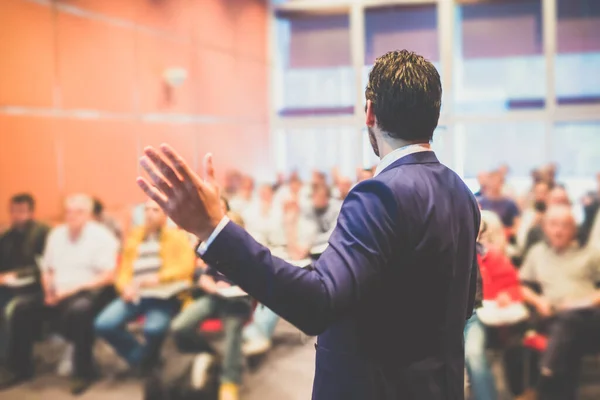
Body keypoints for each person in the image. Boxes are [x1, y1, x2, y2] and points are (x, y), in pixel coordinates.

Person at [137, 50, 480, 400]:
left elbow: (316, 303)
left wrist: (213, 229)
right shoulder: (461, 193)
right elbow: (465, 301)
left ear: (370, 111)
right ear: (434, 114)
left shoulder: (379, 193)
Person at [94, 199, 195, 375]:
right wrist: (124, 287)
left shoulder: (177, 236)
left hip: (162, 295)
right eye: (146, 210)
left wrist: (159, 277)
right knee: (104, 324)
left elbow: (186, 266)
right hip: (135, 294)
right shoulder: (135, 235)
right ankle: (143, 359)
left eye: (155, 210)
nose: (149, 214)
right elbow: (124, 269)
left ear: (165, 215)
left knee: (153, 329)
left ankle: (147, 363)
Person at [520, 205, 600, 400]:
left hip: (591, 319)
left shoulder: (589, 252)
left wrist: (582, 302)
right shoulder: (537, 253)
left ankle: (540, 385)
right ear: (544, 227)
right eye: (553, 224)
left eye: (565, 225)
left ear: (574, 229)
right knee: (566, 333)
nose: (558, 231)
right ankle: (549, 378)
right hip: (554, 319)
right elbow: (520, 285)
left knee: (569, 320)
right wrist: (538, 300)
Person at [42, 194, 119, 394]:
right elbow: (47, 268)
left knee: (79, 310)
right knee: (22, 308)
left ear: (88, 215)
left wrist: (71, 290)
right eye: (68, 212)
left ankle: (84, 371)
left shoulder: (101, 236)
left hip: (90, 291)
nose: (72, 216)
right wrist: (48, 288)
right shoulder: (56, 235)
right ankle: (18, 367)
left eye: (78, 212)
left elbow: (108, 276)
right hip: (57, 292)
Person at [171, 212, 252, 400]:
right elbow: (205, 277)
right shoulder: (215, 250)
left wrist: (238, 285)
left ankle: (229, 382)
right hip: (215, 297)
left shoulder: (249, 253)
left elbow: (256, 281)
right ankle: (210, 353)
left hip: (237, 301)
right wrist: (212, 286)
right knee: (179, 327)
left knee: (232, 332)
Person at [0, 194, 50, 388]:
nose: (16, 215)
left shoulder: (43, 232)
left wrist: (14, 275)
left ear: (31, 212)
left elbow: (44, 266)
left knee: (13, 310)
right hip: (8, 287)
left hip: (34, 288)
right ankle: (4, 357)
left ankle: (16, 365)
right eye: (13, 211)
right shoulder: (6, 236)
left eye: (21, 211)